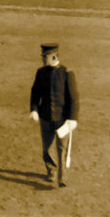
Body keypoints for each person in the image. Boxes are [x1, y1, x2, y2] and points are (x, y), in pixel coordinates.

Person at [30, 44, 79, 188]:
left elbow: (73, 97)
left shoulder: (67, 73)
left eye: (45, 57)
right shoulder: (41, 73)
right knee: (47, 148)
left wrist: (72, 118)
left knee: (61, 148)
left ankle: (62, 177)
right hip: (45, 117)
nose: (43, 60)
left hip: (62, 119)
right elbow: (35, 92)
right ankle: (51, 171)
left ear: (53, 57)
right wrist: (33, 109)